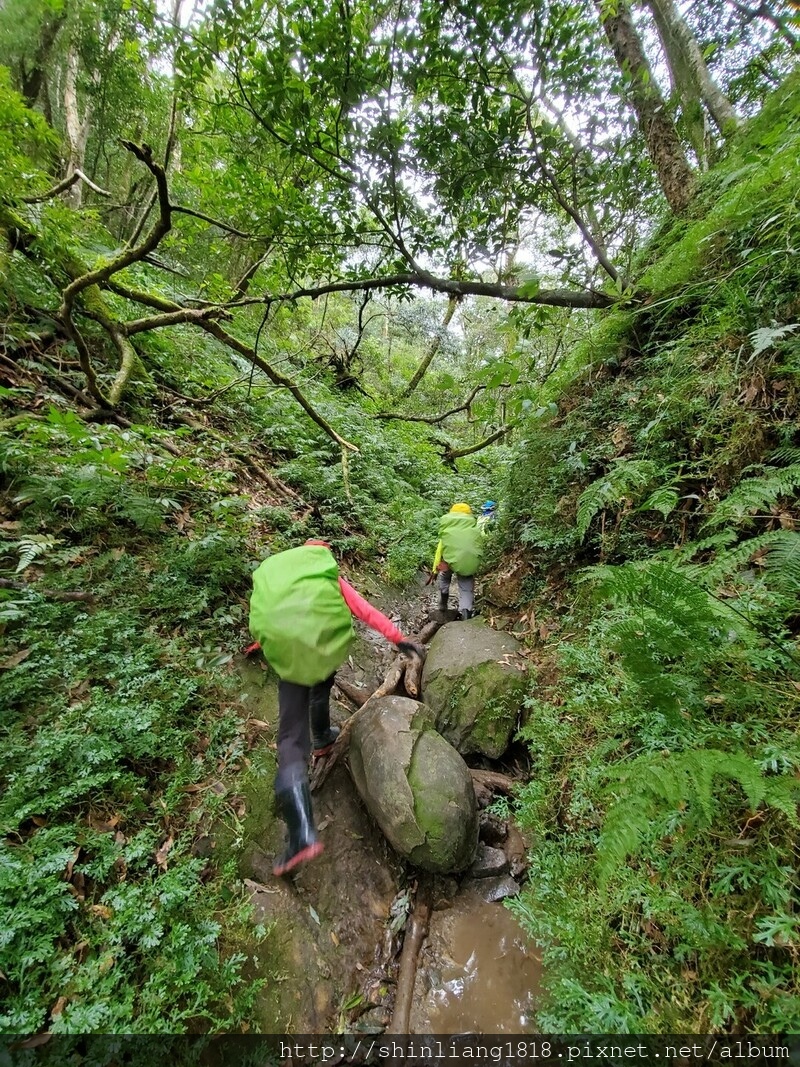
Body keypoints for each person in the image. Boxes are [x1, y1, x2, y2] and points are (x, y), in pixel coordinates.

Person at [249, 538, 422, 877]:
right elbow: (364, 611)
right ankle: (324, 739)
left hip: (290, 657)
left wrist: (260, 644)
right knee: (321, 690)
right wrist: (399, 639)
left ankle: (301, 833)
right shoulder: (328, 577)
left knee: (289, 741)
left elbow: (271, 617)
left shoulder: (285, 581)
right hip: (323, 652)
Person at [432, 502, 483, 621]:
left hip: (448, 561)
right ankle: (465, 614)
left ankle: (443, 605)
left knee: (445, 578)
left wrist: (435, 570)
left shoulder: (448, 528)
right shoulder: (474, 528)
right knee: (466, 587)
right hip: (466, 561)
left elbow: (440, 550)